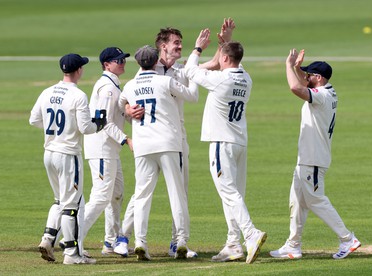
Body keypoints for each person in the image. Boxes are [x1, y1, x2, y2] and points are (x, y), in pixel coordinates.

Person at [114, 18, 235, 259]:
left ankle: (174, 243)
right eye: (176, 43)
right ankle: (123, 238)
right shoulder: (148, 71)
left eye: (181, 44)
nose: (179, 47)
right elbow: (125, 101)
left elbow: (213, 64)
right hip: (161, 138)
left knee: (179, 190)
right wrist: (128, 111)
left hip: (177, 138)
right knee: (144, 192)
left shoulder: (180, 68)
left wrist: (226, 43)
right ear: (163, 46)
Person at [183, 29, 267, 264]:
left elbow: (190, 70)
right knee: (233, 194)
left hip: (222, 143)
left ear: (226, 59)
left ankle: (251, 234)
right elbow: (228, 62)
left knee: (229, 193)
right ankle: (233, 244)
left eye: (221, 55)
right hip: (240, 142)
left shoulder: (220, 80)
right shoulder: (246, 78)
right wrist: (226, 43)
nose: (218, 57)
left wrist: (198, 48)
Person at [269, 49, 361, 260]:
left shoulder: (321, 96)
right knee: (297, 201)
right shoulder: (327, 90)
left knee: (315, 200)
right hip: (307, 158)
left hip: (314, 159)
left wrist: (287, 65)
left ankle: (347, 239)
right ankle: (293, 245)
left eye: (309, 75)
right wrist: (297, 67)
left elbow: (295, 87)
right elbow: (304, 81)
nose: (306, 77)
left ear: (318, 78)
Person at [117, 45, 198, 261]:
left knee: (143, 195)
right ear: (156, 62)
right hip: (168, 143)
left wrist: (127, 109)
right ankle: (181, 240)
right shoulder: (165, 81)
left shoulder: (130, 85)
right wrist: (194, 72)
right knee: (176, 192)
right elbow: (192, 96)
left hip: (143, 145)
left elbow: (120, 103)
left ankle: (140, 242)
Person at [30, 53, 106, 265]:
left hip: (49, 153)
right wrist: (99, 124)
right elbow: (85, 127)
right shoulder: (78, 95)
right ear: (79, 70)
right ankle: (72, 254)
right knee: (71, 205)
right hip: (68, 154)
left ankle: (47, 238)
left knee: (59, 200)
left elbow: (34, 119)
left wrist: (53, 132)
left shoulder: (47, 92)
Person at [79, 47, 133, 255]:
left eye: (123, 59)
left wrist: (129, 114)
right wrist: (125, 139)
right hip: (102, 147)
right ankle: (74, 239)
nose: (122, 62)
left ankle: (110, 241)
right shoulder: (107, 88)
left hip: (109, 150)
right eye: (117, 60)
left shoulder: (114, 85)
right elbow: (104, 121)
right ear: (106, 64)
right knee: (101, 196)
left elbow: (117, 115)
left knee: (116, 194)